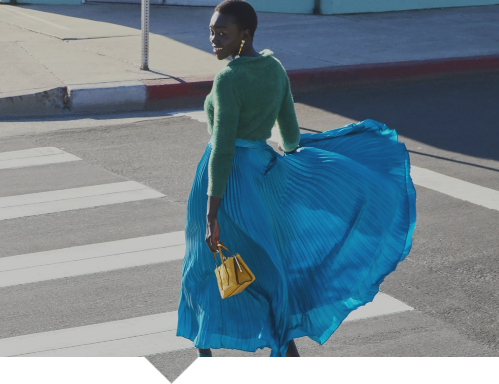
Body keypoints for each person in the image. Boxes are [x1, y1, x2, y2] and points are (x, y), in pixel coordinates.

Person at [176, 0, 417, 358]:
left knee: (204, 265)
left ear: (246, 35)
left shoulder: (229, 78)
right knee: (265, 267)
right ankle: (282, 343)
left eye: (222, 33)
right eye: (212, 31)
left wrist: (211, 213)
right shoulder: (274, 68)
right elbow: (289, 135)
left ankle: (206, 348)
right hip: (262, 175)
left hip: (225, 183)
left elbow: (223, 147)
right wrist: (300, 164)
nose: (214, 39)